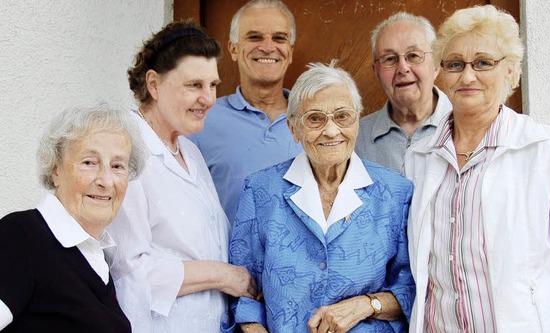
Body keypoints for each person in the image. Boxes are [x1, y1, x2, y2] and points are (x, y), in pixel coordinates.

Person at [358, 10, 550, 325]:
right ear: (441, 72)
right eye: (454, 64)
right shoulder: (422, 156)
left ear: (509, 70)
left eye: (483, 63)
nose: (467, 77)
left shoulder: (544, 147)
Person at [228, 62, 415, 333]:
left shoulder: (396, 194)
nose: (330, 131)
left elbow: (411, 287)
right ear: (293, 128)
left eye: (342, 116)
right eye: (315, 119)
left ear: (357, 121)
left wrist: (366, 305)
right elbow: (243, 285)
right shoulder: (260, 191)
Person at [106, 20, 256, 332]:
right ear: (153, 84)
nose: (209, 99)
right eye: (194, 85)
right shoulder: (123, 148)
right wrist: (224, 275)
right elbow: (129, 271)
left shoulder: (190, 151)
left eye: (213, 85)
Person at [0, 105, 146, 332]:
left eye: (117, 166)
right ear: (55, 169)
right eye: (89, 163)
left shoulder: (94, 254)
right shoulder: (20, 237)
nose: (106, 181)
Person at [189, 0, 302, 223]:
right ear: (233, 49)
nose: (268, 47)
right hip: (225, 258)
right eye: (254, 37)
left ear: (290, 52)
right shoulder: (202, 119)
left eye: (279, 38)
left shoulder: (315, 121)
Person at [355, 12, 451, 175]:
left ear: (436, 64)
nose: (403, 68)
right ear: (376, 72)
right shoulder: (357, 138)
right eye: (390, 59)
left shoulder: (467, 127)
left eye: (413, 56)